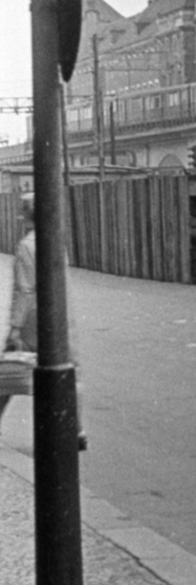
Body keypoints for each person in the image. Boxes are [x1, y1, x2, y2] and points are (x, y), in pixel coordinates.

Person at [1, 193, 87, 450]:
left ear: (27, 216)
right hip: (62, 315)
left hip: (35, 321)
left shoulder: (27, 245)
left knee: (6, 372)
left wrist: (15, 328)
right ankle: (77, 429)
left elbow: (24, 290)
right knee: (71, 370)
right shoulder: (55, 241)